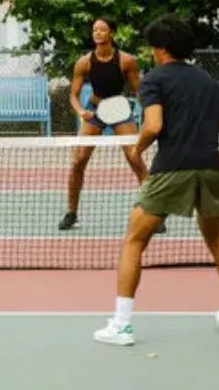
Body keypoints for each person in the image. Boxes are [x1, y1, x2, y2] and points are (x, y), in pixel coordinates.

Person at [92, 14, 219, 346]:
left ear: (160, 49)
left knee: (134, 240)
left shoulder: (154, 80)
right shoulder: (210, 82)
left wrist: (137, 150)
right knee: (217, 240)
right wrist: (215, 167)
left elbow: (153, 125)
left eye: (152, 46)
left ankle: (121, 325)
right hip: (208, 168)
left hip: (170, 169)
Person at [60, 17, 163, 234]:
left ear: (111, 34)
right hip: (94, 110)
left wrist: (149, 114)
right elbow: (73, 95)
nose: (97, 33)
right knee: (78, 161)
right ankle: (71, 212)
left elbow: (139, 91)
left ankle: (154, 212)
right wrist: (80, 111)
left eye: (102, 30)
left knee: (134, 158)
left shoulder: (126, 61)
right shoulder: (84, 62)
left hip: (119, 109)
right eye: (95, 30)